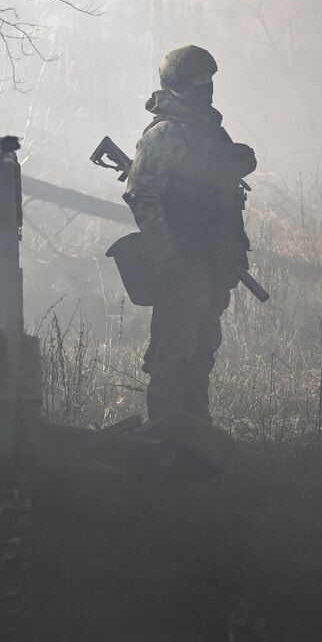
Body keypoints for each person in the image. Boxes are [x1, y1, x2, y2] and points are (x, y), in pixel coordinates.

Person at [124, 44, 255, 422]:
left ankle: (196, 434)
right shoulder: (166, 133)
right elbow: (141, 195)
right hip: (183, 262)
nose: (206, 87)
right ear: (178, 84)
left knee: (202, 352)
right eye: (197, 81)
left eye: (209, 80)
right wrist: (169, 257)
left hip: (212, 261)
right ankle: (165, 442)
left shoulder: (207, 131)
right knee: (173, 355)